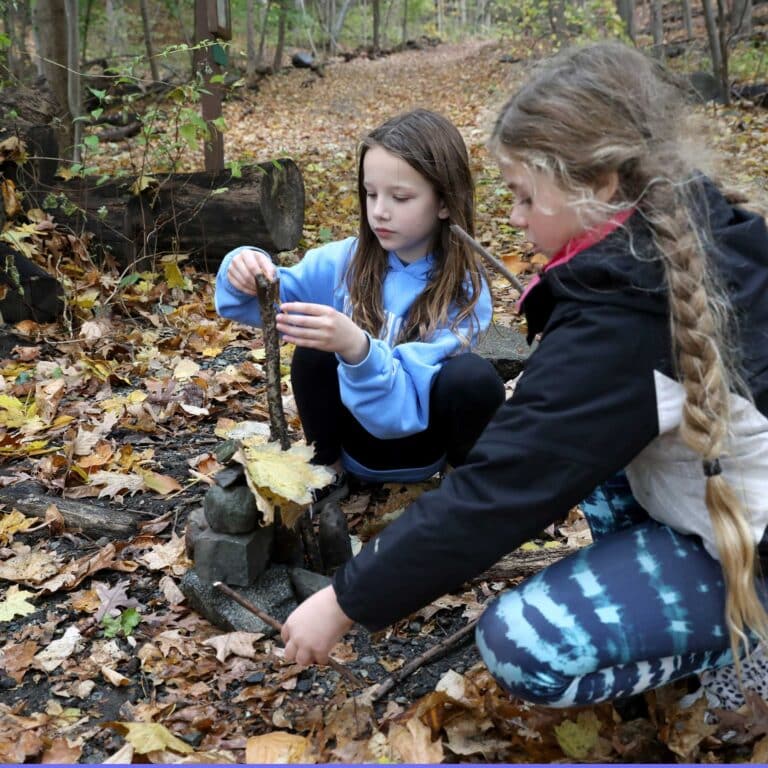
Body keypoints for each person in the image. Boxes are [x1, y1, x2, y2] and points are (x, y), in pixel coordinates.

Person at [279, 41, 768, 711]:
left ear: (599, 184)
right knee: (585, 455)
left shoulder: (625, 316)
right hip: (727, 496)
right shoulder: (695, 227)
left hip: (753, 546)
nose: (511, 218)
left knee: (524, 642)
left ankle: (739, 645)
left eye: (524, 196)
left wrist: (345, 600)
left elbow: (501, 487)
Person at [215, 109, 505, 510]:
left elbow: (398, 414)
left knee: (473, 378)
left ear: (444, 201)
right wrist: (245, 267)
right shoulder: (340, 263)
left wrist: (357, 349)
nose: (380, 211)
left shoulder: (464, 292)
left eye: (400, 197)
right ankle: (327, 476)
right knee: (314, 347)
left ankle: (462, 491)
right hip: (350, 446)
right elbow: (264, 304)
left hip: (421, 447)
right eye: (371, 194)